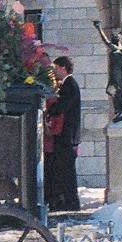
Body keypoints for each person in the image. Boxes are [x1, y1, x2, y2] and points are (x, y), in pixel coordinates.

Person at [43, 56, 82, 214]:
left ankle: (70, 202)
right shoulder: (66, 85)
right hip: (65, 135)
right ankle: (64, 201)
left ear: (63, 68)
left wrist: (49, 109)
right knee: (62, 169)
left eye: (56, 68)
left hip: (67, 135)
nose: (54, 71)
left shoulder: (70, 85)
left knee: (67, 170)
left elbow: (63, 106)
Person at [94, 20, 122, 123]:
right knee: (116, 92)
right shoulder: (115, 49)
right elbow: (106, 41)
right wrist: (99, 29)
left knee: (120, 92)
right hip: (115, 75)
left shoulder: (121, 50)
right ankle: (120, 111)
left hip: (119, 75)